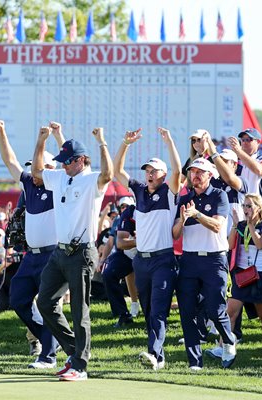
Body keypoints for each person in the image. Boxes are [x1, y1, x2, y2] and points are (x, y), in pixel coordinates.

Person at [33, 128, 113, 382]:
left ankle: (80, 365)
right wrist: (41, 141)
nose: (63, 165)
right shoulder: (60, 177)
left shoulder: (92, 180)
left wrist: (101, 143)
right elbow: (36, 173)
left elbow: (109, 174)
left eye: (68, 161)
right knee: (44, 302)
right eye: (62, 161)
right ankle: (73, 352)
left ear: (81, 160)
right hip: (60, 252)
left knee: (80, 311)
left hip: (82, 252)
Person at [0, 119, 63, 369]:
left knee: (47, 304)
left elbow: (69, 163)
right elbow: (10, 161)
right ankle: (51, 341)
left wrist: (48, 139)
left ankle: (48, 354)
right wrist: (2, 133)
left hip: (52, 256)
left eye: (41, 167)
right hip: (31, 257)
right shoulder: (28, 184)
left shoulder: (60, 186)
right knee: (19, 299)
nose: (35, 171)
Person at [113, 127, 181, 370]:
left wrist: (169, 140)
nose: (149, 174)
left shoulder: (170, 192)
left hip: (163, 259)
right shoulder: (139, 190)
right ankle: (159, 357)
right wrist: (125, 143)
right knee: (149, 309)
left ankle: (154, 353)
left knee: (158, 310)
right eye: (147, 171)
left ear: (163, 175)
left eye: (154, 171)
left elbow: (178, 171)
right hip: (141, 260)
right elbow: (116, 171)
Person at [173, 158, 236, 370]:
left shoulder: (219, 195)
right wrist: (183, 219)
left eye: (201, 172)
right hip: (189, 259)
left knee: (215, 308)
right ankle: (195, 361)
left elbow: (218, 225)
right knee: (187, 311)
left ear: (210, 175)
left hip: (214, 259)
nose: (195, 176)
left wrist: (197, 214)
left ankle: (228, 341)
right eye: (193, 172)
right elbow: (175, 234)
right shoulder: (185, 199)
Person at [227, 194, 262, 357]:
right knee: (230, 312)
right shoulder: (240, 225)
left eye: (249, 206)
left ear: (259, 208)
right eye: (244, 206)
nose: (246, 209)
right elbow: (229, 244)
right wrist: (235, 226)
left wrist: (251, 227)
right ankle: (224, 347)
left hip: (258, 275)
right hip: (241, 274)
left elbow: (260, 244)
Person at [101, 197, 139, 329]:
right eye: (122, 206)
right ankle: (123, 313)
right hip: (128, 253)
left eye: (126, 206)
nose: (124, 208)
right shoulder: (124, 216)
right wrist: (102, 259)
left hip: (149, 256)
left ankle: (154, 315)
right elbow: (115, 242)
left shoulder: (153, 210)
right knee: (108, 274)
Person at [227, 128, 262, 204]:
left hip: (258, 210)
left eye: (248, 139)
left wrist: (239, 152)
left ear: (258, 142)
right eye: (243, 140)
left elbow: (259, 170)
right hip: (238, 209)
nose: (244, 142)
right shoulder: (235, 161)